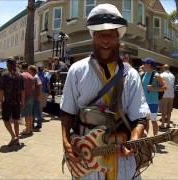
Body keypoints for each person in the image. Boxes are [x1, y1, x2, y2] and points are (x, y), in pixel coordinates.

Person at [60, 4, 149, 179]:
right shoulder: (76, 70)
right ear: (93, 37)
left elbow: (140, 116)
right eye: (100, 35)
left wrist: (135, 138)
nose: (106, 40)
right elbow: (67, 112)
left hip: (122, 155)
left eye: (111, 35)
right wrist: (65, 142)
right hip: (87, 154)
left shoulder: (131, 75)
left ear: (118, 38)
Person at [0, 59, 24, 146]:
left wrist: (1, 102)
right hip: (17, 102)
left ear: (8, 65)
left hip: (7, 102)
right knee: (16, 120)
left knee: (6, 120)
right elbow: (22, 91)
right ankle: (17, 138)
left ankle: (13, 136)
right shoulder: (20, 75)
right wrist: (22, 102)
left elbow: (1, 90)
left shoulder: (4, 75)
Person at [141, 58, 166, 136]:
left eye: (144, 63)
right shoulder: (143, 74)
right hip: (144, 103)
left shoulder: (156, 75)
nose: (143, 65)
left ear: (149, 65)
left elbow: (164, 88)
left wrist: (153, 89)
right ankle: (146, 139)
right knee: (146, 121)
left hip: (153, 103)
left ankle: (155, 139)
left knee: (153, 121)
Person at [20, 63, 35, 135]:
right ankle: (30, 128)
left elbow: (20, 89)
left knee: (27, 114)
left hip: (25, 97)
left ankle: (27, 130)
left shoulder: (21, 76)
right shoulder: (31, 76)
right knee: (30, 113)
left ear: (21, 68)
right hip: (31, 96)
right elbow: (33, 88)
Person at [159, 64, 175, 129]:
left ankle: (162, 124)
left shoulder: (161, 75)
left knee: (163, 111)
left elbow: (160, 85)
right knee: (169, 111)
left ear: (163, 68)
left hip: (164, 95)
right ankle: (168, 124)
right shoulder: (173, 75)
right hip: (171, 95)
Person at [28, 65, 43, 130]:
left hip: (36, 97)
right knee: (33, 111)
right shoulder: (34, 77)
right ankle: (33, 123)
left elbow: (39, 86)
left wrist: (39, 96)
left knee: (37, 111)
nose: (28, 71)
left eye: (29, 70)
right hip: (34, 97)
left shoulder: (35, 77)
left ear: (32, 71)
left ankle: (39, 124)